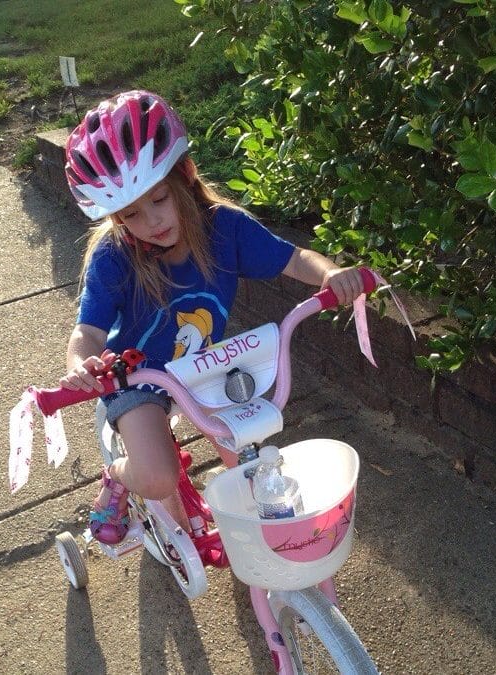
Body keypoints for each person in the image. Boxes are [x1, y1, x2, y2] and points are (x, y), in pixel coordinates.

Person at [60, 90, 365, 545]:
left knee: (252, 458)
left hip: (203, 365)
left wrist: (329, 274)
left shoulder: (224, 228)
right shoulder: (114, 254)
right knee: (158, 478)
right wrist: (81, 365)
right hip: (136, 376)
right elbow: (87, 331)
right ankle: (119, 475)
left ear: (184, 175)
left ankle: (265, 539)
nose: (151, 222)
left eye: (160, 199)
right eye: (131, 214)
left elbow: (293, 257)